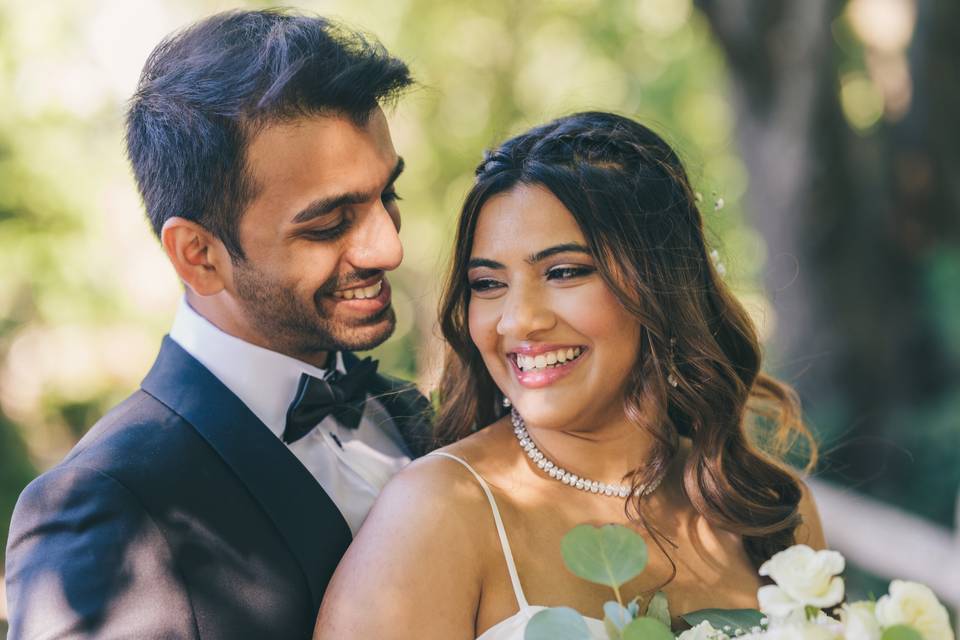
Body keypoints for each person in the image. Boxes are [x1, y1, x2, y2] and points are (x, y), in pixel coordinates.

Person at [314, 112, 825, 639]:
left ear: (663, 285)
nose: (519, 320)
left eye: (563, 272)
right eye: (488, 283)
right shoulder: (439, 511)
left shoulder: (769, 508)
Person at [4, 9, 431, 639]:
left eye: (386, 196)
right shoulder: (105, 505)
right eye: (329, 223)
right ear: (199, 255)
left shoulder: (407, 413)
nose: (387, 248)